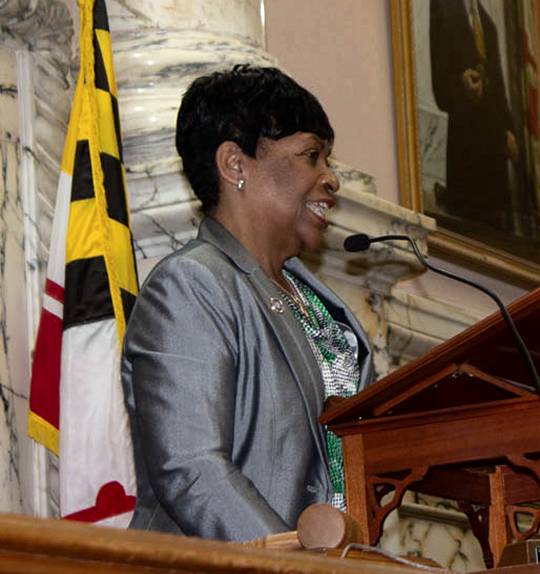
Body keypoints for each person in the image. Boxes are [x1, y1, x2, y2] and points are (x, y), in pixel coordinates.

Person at [121, 65, 373, 542]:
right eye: (312, 156)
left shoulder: (323, 306)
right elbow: (192, 469)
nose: (332, 179)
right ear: (235, 164)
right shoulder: (192, 286)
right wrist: (294, 566)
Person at [430, 0, 518, 230]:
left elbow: (498, 89)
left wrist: (509, 131)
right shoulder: (443, 7)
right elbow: (440, 86)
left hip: (496, 152)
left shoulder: (488, 24)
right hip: (466, 152)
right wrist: (462, 84)